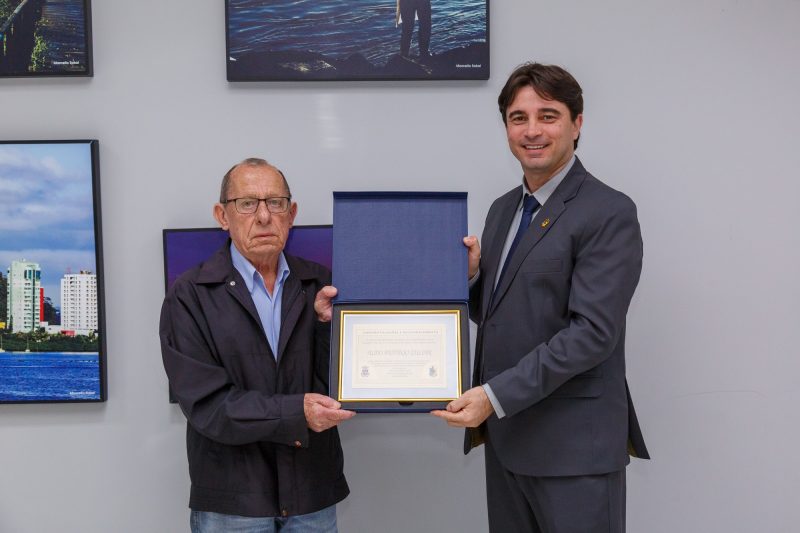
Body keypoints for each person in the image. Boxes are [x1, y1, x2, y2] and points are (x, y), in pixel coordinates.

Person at [432, 63, 649, 532]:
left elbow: (592, 334)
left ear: (578, 122)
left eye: (547, 116)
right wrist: (470, 284)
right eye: (518, 117)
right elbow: (505, 313)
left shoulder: (609, 211)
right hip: (510, 444)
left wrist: (493, 396)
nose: (532, 131)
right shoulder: (502, 209)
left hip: (575, 453)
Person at [160, 158, 354, 533]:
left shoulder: (323, 285)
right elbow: (207, 405)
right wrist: (296, 412)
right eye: (247, 203)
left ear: (291, 213)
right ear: (222, 215)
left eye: (276, 203)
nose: (264, 216)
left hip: (311, 495)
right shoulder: (189, 295)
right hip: (232, 503)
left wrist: (324, 328)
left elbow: (340, 383)